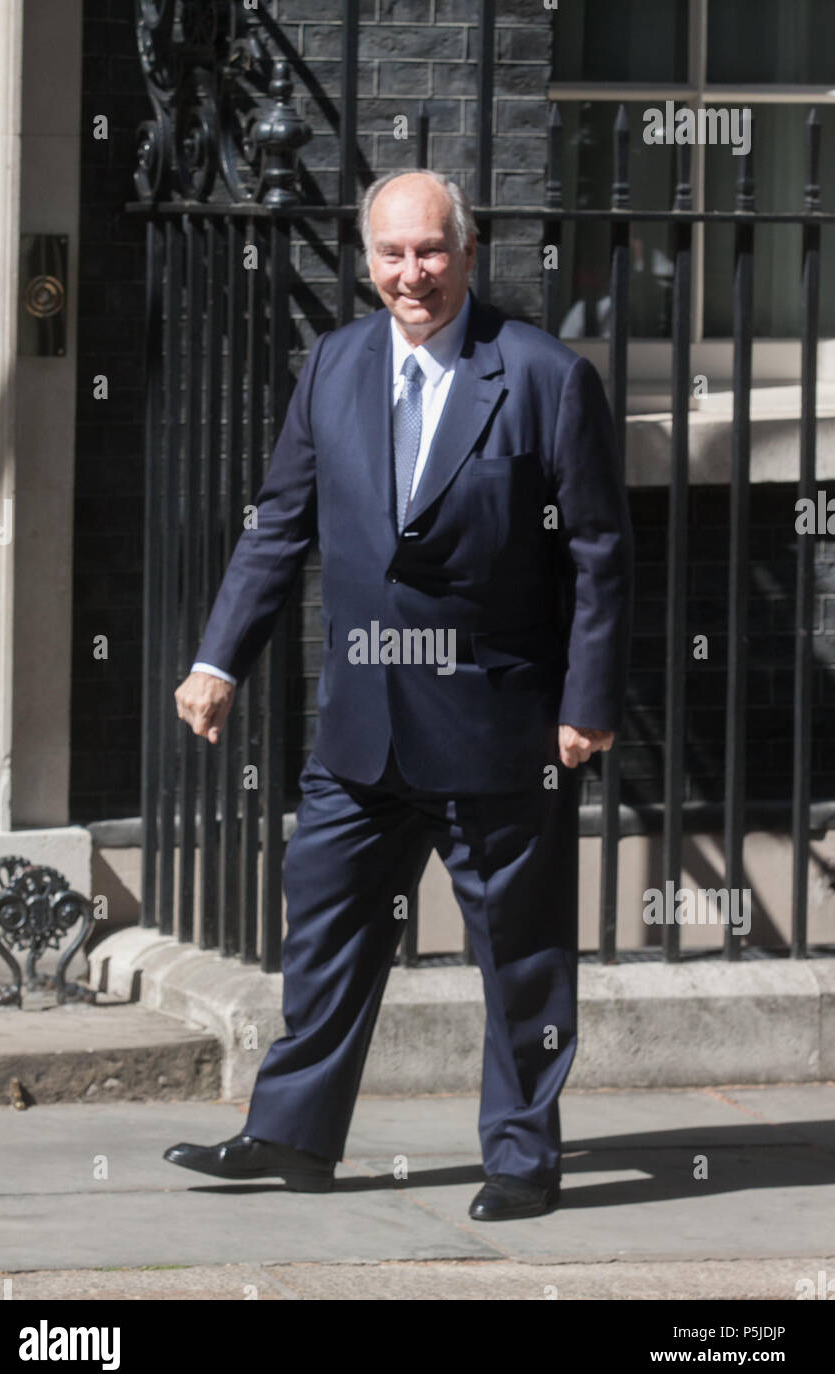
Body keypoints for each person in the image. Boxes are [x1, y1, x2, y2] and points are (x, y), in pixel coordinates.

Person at [164, 169, 634, 1221]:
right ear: (364, 259)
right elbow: (278, 525)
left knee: (520, 954)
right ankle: (289, 1135)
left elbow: (600, 556)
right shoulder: (332, 364)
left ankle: (521, 1157)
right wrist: (218, 659)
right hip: (360, 727)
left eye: (428, 251)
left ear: (468, 253)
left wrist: (586, 698)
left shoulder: (544, 375)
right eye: (389, 254)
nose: (409, 274)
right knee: (323, 932)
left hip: (500, 726)